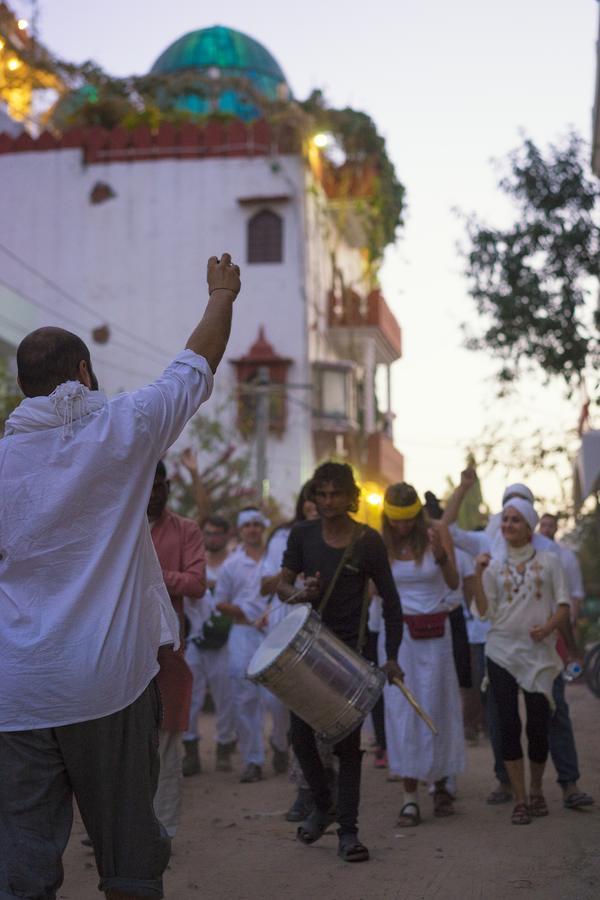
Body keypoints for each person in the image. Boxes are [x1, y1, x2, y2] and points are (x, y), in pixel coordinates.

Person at [0, 252, 241, 900]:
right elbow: (194, 367)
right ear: (84, 372)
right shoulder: (122, 429)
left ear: (24, 386)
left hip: (17, 691)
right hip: (108, 682)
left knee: (19, 867)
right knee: (130, 862)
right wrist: (221, 294)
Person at [278, 461, 403, 864]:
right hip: (306, 655)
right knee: (301, 739)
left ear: (351, 498)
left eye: (336, 494)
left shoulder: (368, 541)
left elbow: (393, 602)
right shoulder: (301, 535)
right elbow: (282, 587)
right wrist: (301, 592)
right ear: (313, 497)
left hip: (351, 655)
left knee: (348, 749)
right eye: (322, 494)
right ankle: (324, 804)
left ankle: (348, 832)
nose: (329, 502)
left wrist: (392, 657)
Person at [473, 499, 571, 825]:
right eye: (505, 520)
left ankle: (536, 790)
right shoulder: (494, 567)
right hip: (501, 650)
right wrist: (477, 574)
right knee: (509, 724)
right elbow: (484, 612)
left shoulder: (550, 561)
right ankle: (519, 799)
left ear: (529, 527)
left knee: (538, 726)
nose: (508, 525)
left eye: (516, 520)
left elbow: (563, 606)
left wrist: (548, 628)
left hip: (538, 655)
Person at [380, 483, 465, 827]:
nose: (402, 527)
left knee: (439, 706)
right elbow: (376, 591)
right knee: (403, 710)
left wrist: (440, 554)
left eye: (407, 520)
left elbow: (454, 582)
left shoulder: (437, 533)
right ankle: (409, 796)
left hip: (436, 634)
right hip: (400, 637)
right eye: (395, 521)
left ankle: (442, 784)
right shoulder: (380, 543)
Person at [259, 482, 328, 820]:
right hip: (293, 630)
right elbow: (266, 585)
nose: (318, 508)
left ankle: (327, 791)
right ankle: (304, 792)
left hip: (328, 631)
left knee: (325, 713)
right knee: (298, 713)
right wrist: (292, 577)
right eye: (314, 502)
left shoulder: (341, 537)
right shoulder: (284, 537)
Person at [148, 460, 205, 837]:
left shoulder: (186, 529)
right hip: (119, 652)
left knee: (166, 746)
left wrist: (150, 576)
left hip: (168, 650)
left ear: (167, 485)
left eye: (159, 485)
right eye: (147, 485)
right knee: (121, 746)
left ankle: (163, 832)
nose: (154, 493)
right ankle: (121, 826)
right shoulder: (117, 525)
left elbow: (197, 583)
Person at [213, 507, 271, 783]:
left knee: (277, 701)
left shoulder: (277, 559)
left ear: (263, 528)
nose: (252, 529)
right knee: (245, 699)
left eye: (257, 524)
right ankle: (253, 759)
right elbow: (220, 603)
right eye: (247, 525)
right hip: (242, 635)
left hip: (275, 636)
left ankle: (281, 745)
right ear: (240, 530)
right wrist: (245, 613)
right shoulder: (231, 565)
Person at [182, 514, 237, 776]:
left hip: (226, 641)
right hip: (195, 639)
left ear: (227, 535)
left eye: (218, 533)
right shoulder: (194, 562)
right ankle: (191, 752)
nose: (213, 538)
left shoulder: (235, 564)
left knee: (225, 698)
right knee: (190, 699)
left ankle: (224, 749)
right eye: (209, 533)